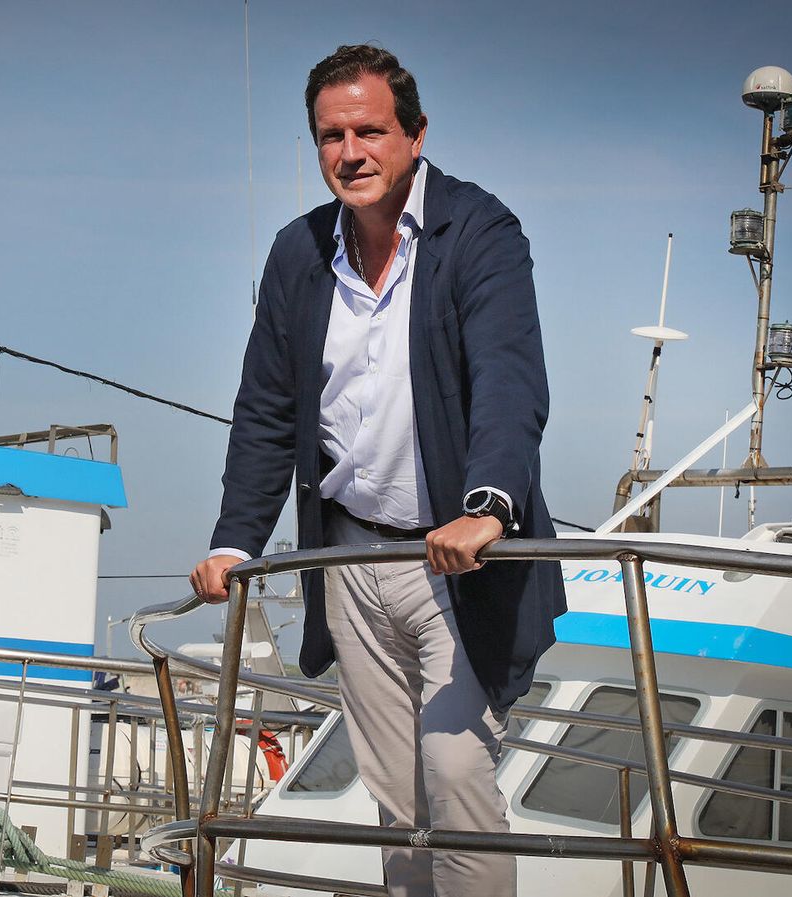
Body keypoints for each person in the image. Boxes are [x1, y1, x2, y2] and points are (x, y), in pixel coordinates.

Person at [188, 45, 566, 897]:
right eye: (331, 136)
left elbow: (510, 378)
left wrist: (488, 506)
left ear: (415, 135)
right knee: (397, 800)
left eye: (370, 130)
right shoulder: (298, 253)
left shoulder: (481, 232)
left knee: (457, 775)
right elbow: (266, 411)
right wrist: (234, 541)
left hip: (456, 560)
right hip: (352, 558)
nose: (350, 152)